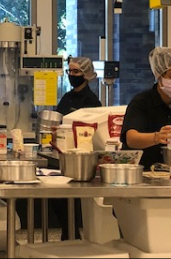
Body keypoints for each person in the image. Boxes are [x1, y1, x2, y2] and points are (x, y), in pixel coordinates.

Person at [120, 46, 171, 170]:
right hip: (141, 172)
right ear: (159, 77)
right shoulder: (141, 102)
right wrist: (156, 137)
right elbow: (131, 139)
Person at [50, 56, 102, 240]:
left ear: (87, 75)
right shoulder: (67, 97)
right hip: (62, 152)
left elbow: (91, 130)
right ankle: (68, 231)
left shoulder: (92, 101)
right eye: (69, 71)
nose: (72, 75)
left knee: (71, 199)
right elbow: (60, 119)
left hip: (80, 156)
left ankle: (72, 234)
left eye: (76, 71)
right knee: (56, 196)